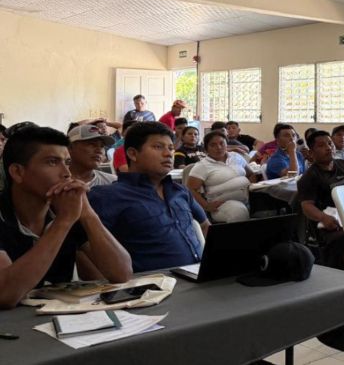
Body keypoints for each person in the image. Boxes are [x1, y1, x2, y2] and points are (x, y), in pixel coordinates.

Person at [0, 125, 132, 308]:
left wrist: (87, 213)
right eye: (52, 162)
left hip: (61, 321)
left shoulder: (65, 208)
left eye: (67, 162)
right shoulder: (62, 215)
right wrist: (63, 221)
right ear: (17, 172)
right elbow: (5, 294)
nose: (67, 173)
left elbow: (122, 274)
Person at [89, 122, 210, 273]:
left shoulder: (180, 191)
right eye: (158, 147)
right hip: (152, 288)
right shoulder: (107, 196)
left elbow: (205, 225)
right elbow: (84, 250)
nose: (168, 154)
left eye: (171, 148)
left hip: (198, 276)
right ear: (133, 154)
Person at [296, 130, 344, 270]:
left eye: (330, 144)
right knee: (340, 240)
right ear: (311, 153)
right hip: (329, 223)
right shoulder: (309, 177)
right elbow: (307, 206)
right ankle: (338, 280)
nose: (329, 148)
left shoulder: (343, 164)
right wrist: (323, 217)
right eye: (322, 145)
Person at [187, 131, 255, 223]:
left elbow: (251, 174)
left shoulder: (236, 157)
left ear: (227, 144)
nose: (218, 147)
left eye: (222, 143)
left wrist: (251, 187)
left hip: (248, 198)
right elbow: (190, 189)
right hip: (223, 205)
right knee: (239, 212)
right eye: (213, 145)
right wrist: (206, 206)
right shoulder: (202, 166)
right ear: (206, 149)